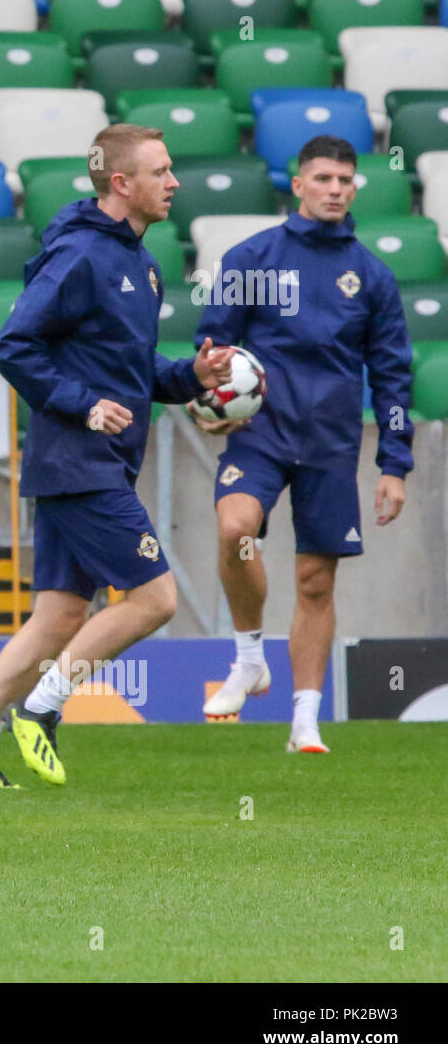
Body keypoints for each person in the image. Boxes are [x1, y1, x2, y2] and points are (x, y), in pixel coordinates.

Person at [0, 124, 234, 789]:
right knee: (155, 598)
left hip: (97, 460)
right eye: (161, 171)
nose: (174, 181)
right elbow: (15, 345)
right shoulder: (77, 255)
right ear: (122, 183)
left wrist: (195, 376)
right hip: (77, 459)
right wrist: (82, 404)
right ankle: (40, 706)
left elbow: (132, 369)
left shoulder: (145, 266)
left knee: (60, 614)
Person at [194, 135, 413, 752]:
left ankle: (305, 720)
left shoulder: (372, 276)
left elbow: (394, 375)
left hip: (330, 444)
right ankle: (248, 657)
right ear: (297, 185)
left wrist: (394, 464)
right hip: (260, 433)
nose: (336, 189)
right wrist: (210, 404)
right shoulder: (251, 259)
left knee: (316, 582)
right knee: (235, 529)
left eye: (346, 180)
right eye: (323, 178)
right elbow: (213, 352)